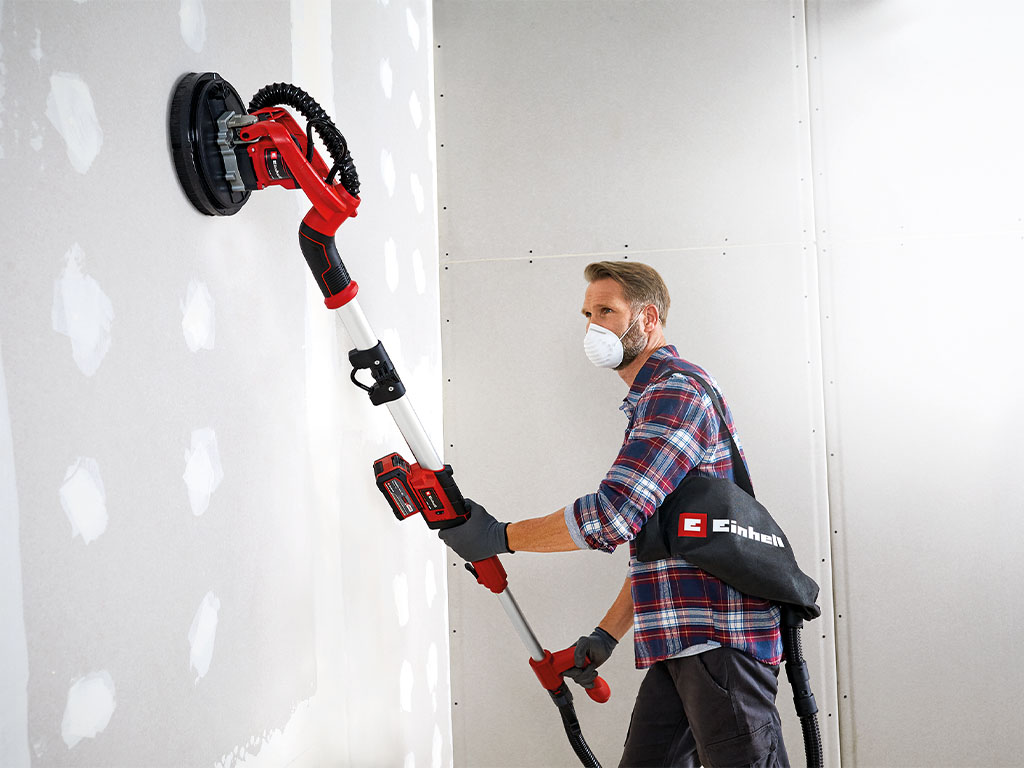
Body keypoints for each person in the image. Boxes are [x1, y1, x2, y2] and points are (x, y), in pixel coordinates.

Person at [439, 261, 789, 768]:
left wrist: (498, 536)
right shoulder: (653, 398)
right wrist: (606, 635)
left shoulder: (675, 392)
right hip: (682, 641)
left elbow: (613, 516)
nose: (592, 326)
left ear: (647, 319)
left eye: (606, 311)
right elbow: (665, 547)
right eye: (587, 313)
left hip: (719, 639)